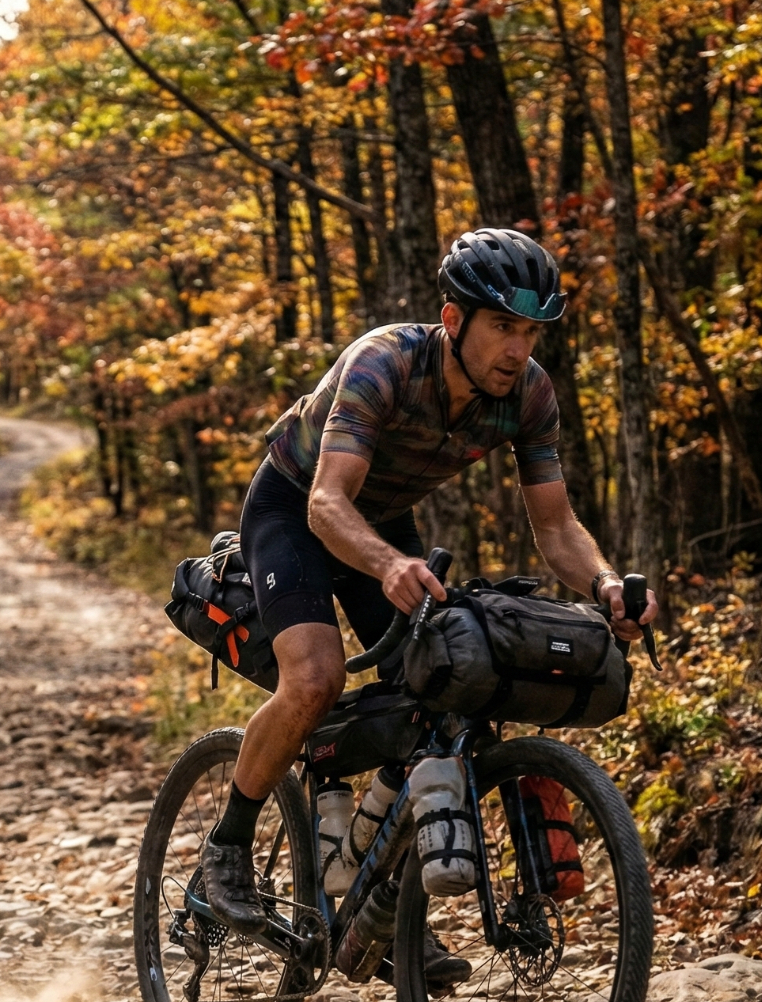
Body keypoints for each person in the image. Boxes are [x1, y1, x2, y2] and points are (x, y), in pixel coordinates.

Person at [201, 228, 659, 935]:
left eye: (529, 331)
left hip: (382, 521)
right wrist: (387, 565)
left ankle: (374, 907)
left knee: (440, 678)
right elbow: (326, 504)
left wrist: (603, 586)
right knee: (316, 680)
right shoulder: (383, 364)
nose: (518, 348)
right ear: (454, 320)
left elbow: (557, 526)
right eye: (503, 326)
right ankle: (226, 847)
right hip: (297, 506)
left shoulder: (530, 395)